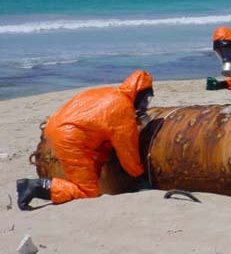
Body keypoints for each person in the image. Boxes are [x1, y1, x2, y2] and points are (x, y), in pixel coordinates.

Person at [16, 70, 154, 210]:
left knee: (89, 174)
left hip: (57, 125)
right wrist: (140, 176)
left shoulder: (109, 92)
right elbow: (128, 152)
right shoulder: (123, 109)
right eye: (145, 100)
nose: (145, 105)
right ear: (138, 94)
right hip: (71, 137)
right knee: (88, 192)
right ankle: (35, 186)